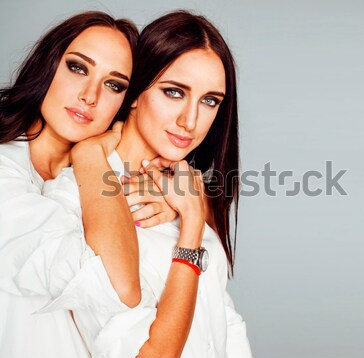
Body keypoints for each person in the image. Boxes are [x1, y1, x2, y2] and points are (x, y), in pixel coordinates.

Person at [43, 10, 253, 358]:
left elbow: (224, 320)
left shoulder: (187, 187)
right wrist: (191, 227)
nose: (190, 120)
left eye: (210, 101)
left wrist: (190, 208)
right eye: (174, 92)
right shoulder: (74, 200)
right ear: (136, 92)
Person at [0, 11, 139, 358]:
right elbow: (117, 286)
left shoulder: (120, 179)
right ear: (48, 65)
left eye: (114, 84)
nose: (90, 95)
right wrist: (90, 154)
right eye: (78, 67)